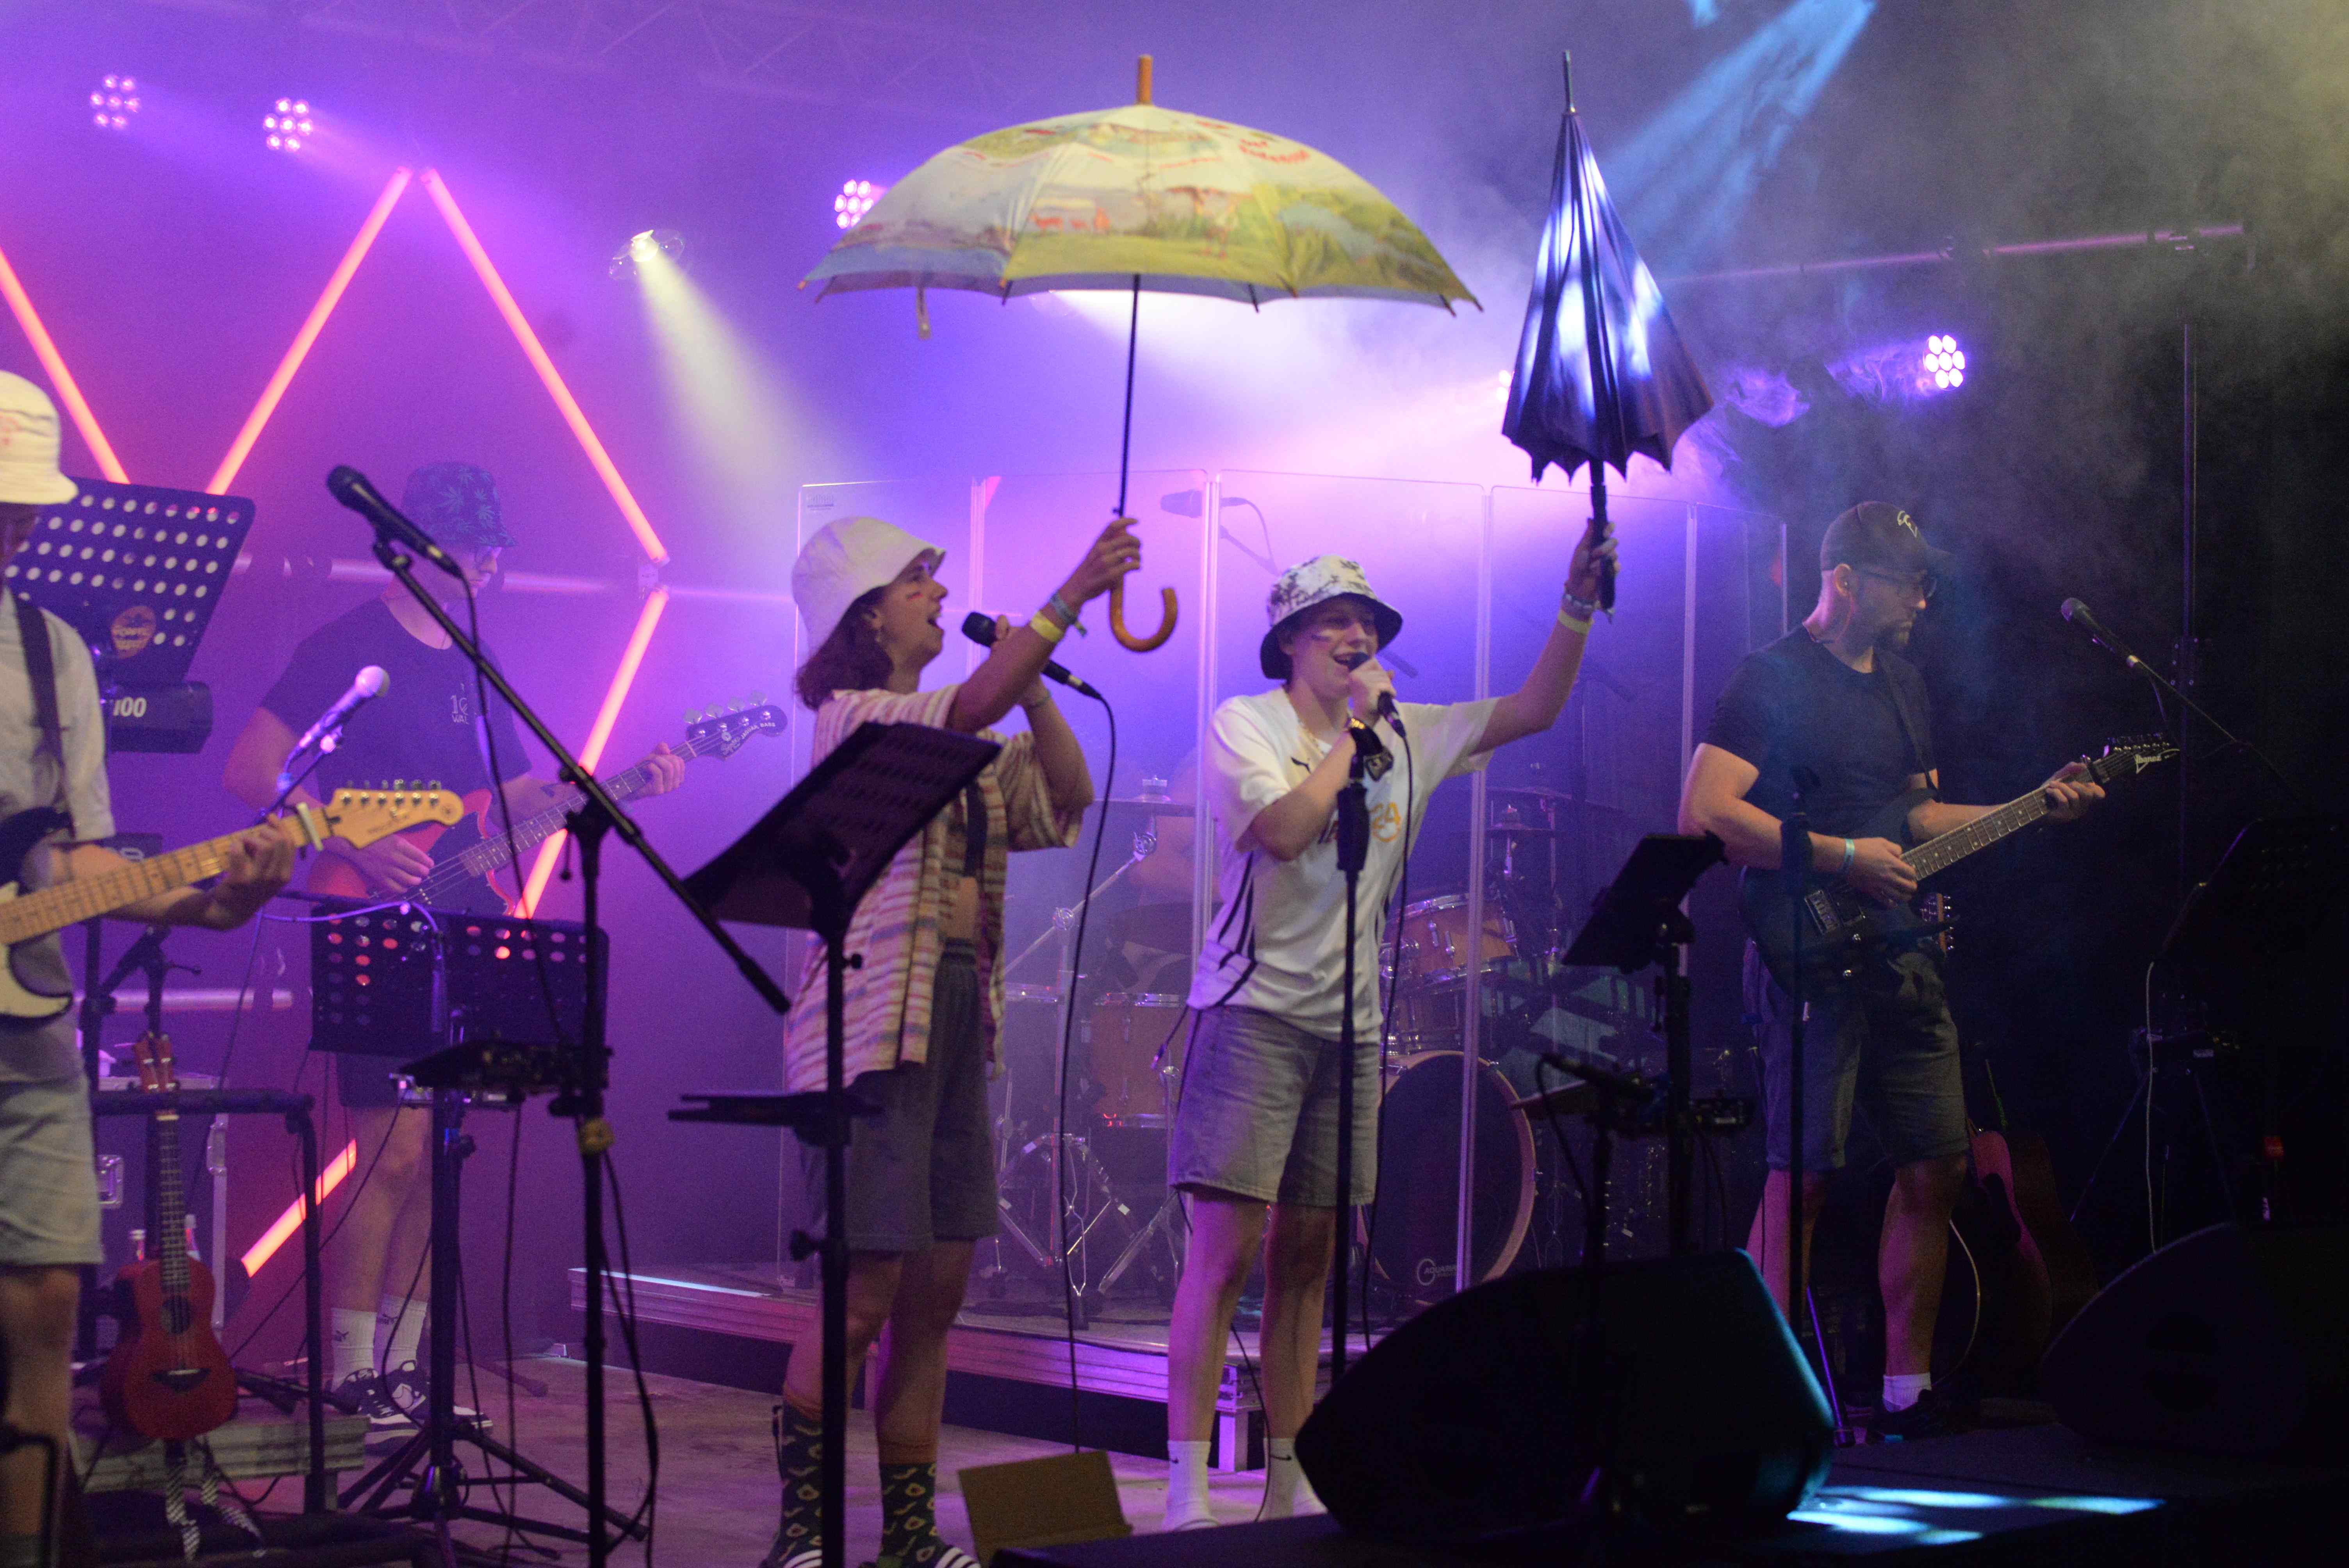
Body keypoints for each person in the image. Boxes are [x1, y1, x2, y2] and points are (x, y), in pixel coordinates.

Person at [1161, 534, 1615, 1531]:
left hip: (1350, 1026)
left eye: (1366, 624)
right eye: (1334, 622)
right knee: (1224, 1254)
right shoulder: (1246, 723)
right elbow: (1283, 832)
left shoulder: (1410, 733)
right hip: (1250, 1013)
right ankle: (1186, 1491)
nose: (1356, 636)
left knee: (1307, 1258)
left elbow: (1534, 708)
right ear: (1289, 640)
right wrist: (1356, 738)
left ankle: (1289, 1481)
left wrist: (1574, 606)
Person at [219, 461, 684, 1427]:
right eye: (477, 548)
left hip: (459, 916)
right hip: (364, 914)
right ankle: (351, 1370)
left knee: (438, 1151)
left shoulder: (478, 658)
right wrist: (350, 842)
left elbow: (509, 797)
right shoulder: (344, 646)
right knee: (387, 1154)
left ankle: (405, 1371)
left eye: (495, 549)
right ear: (420, 548)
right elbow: (252, 769)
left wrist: (625, 782)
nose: (492, 565)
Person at [1676, 502, 2104, 1436]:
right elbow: (1705, 811)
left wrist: (2034, 805)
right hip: (1806, 955)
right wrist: (1840, 857)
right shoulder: (1770, 678)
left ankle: (1906, 1392)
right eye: (1907, 582)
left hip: (1900, 955)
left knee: (1935, 1163)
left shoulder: (1904, 684)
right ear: (1845, 580)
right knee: (1802, 1179)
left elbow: (1916, 821)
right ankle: (1754, 1397)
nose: (1921, 599)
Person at [763, 514, 1137, 1568]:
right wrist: (1072, 592)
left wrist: (1035, 683)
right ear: (865, 616)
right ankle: (802, 1536)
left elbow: (1064, 795)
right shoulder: (854, 717)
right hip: (875, 1026)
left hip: (958, 1013)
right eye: (914, 581)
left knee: (935, 1299)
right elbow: (967, 705)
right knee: (862, 1295)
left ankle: (910, 1540)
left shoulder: (959, 739)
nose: (938, 592)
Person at [0, 371, 294, 1561]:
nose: (15, 527)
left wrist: (216, 902)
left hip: (26, 1027)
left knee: (46, 1309)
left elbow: (77, 856)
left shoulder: (49, 651)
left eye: (23, 507)